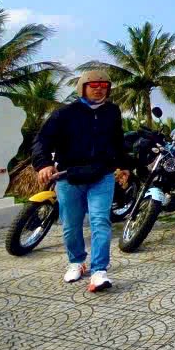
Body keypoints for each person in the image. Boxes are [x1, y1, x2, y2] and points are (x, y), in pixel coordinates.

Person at [31, 68, 124, 292]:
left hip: (101, 174)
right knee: (71, 225)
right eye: (94, 86)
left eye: (104, 86)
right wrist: (43, 164)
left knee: (100, 221)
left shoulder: (112, 111)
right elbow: (42, 140)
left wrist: (124, 166)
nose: (99, 89)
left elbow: (118, 141)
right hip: (68, 176)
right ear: (82, 88)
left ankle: (99, 271)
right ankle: (77, 262)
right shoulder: (64, 113)